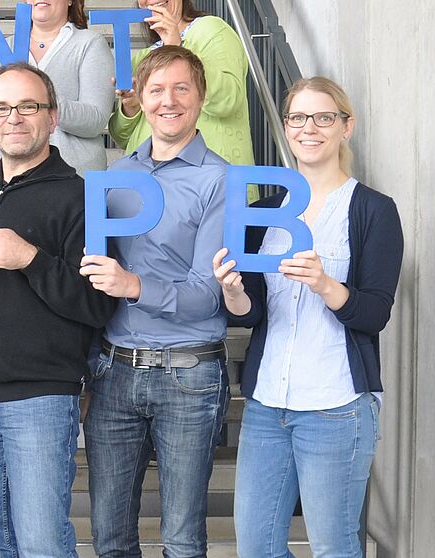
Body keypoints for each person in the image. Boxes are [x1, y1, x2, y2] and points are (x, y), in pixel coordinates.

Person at [213, 77, 403, 557]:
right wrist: (232, 292)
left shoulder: (373, 210)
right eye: (298, 117)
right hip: (266, 404)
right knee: (256, 546)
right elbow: (251, 311)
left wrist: (325, 285)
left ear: (346, 127)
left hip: (336, 404)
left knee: (333, 546)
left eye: (323, 117)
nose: (309, 128)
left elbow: (375, 313)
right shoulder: (263, 212)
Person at [0, 62, 115, 557]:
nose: (13, 117)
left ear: (53, 117)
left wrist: (31, 260)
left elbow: (100, 304)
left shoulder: (82, 198)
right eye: (0, 108)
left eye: (27, 106)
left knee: (42, 543)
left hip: (37, 400)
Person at [79, 46, 229, 557]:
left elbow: (209, 295)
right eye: (157, 89)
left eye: (181, 88)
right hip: (113, 372)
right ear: (139, 100)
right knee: (110, 537)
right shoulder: (117, 176)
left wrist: (135, 285)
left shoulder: (221, 179)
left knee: (183, 540)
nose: (169, 101)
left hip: (189, 375)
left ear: (201, 97)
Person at [110, 0, 254, 194]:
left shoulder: (212, 29)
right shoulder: (142, 57)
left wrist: (177, 47)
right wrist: (132, 106)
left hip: (210, 186)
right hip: (152, 188)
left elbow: (228, 100)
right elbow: (121, 137)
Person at [0, 0, 114, 176]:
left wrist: (41, 100)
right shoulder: (1, 49)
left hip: (74, 177)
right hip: (10, 179)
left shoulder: (90, 43)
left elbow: (95, 121)